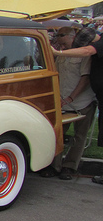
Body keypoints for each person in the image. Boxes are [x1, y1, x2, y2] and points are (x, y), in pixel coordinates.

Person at [40, 27, 97, 180]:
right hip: (62, 102)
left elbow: (85, 78)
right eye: (57, 35)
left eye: (61, 35)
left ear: (72, 36)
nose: (58, 39)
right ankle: (54, 165)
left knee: (79, 136)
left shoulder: (83, 54)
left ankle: (70, 167)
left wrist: (71, 98)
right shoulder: (61, 54)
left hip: (82, 102)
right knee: (58, 133)